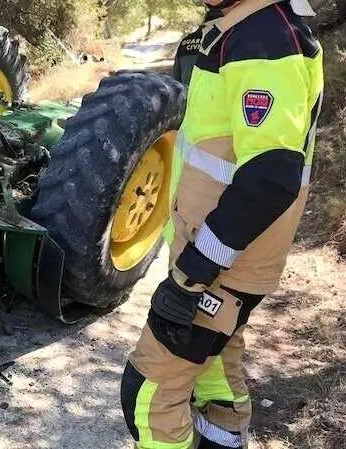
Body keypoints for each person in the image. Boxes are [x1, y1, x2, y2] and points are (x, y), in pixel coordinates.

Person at [120, 0, 324, 447]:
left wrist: (194, 272)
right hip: (219, 253)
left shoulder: (265, 38)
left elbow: (271, 175)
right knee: (215, 377)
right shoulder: (238, 26)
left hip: (220, 264)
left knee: (148, 396)